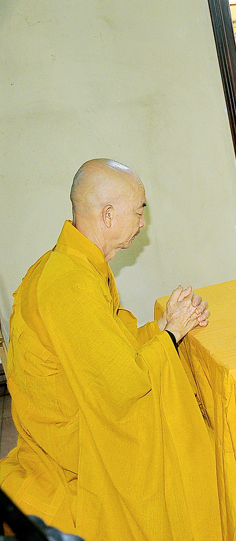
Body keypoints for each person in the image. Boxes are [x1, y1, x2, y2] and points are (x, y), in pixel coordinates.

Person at [0, 160, 222, 541]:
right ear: (107, 215)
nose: (142, 223)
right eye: (138, 212)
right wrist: (170, 337)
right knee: (192, 447)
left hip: (61, 420)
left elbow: (112, 343)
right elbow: (123, 387)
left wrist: (164, 326)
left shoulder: (69, 264)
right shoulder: (70, 284)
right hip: (75, 451)